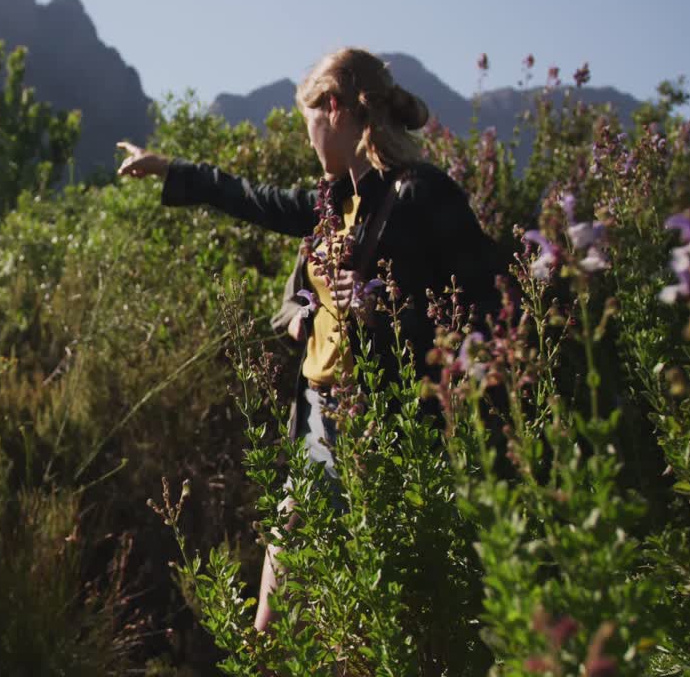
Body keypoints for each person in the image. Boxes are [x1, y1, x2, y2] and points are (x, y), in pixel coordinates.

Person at [116, 47, 505, 633]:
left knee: (376, 614)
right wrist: (172, 169)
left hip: (387, 428)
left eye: (310, 126)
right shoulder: (334, 202)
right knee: (277, 609)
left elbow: (487, 304)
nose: (309, 142)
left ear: (335, 109)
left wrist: (385, 306)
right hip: (321, 418)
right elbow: (253, 198)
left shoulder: (421, 195)